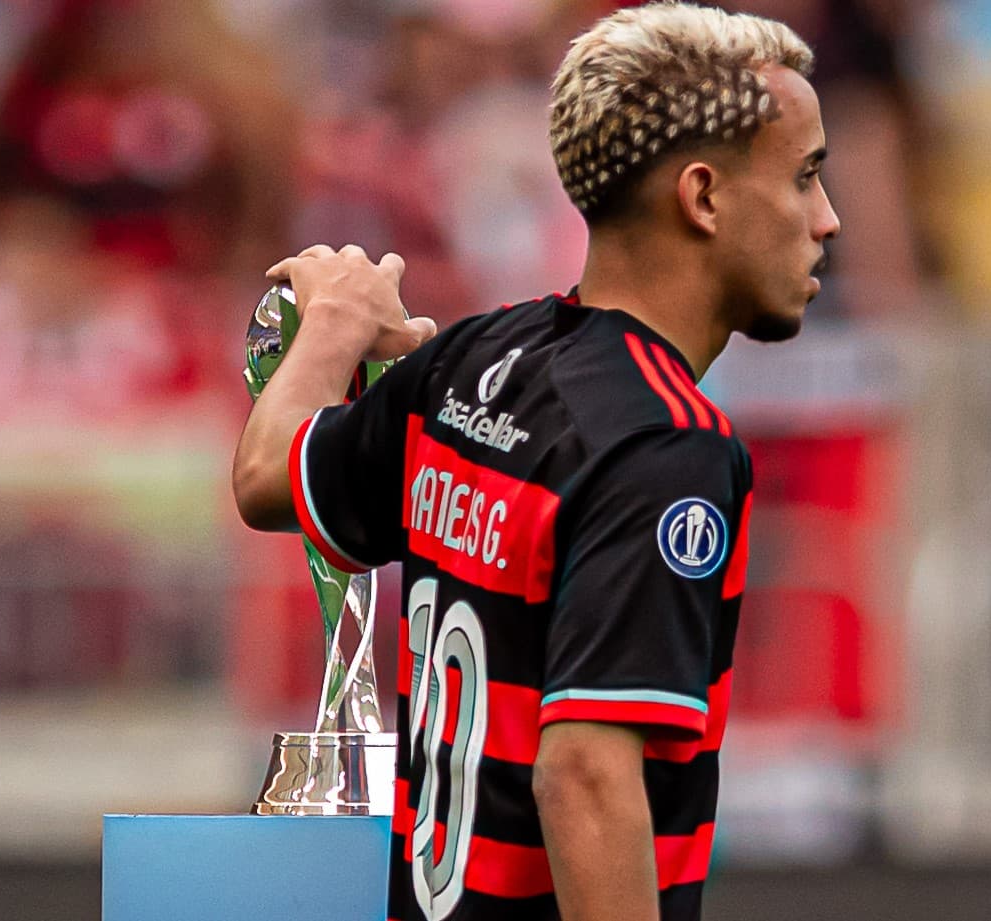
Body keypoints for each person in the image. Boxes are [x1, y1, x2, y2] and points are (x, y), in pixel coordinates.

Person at [233, 3, 839, 920]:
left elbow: (265, 476)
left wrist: (332, 324)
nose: (826, 219)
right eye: (803, 177)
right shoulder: (664, 445)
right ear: (703, 197)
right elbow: (584, 773)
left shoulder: (472, 361)